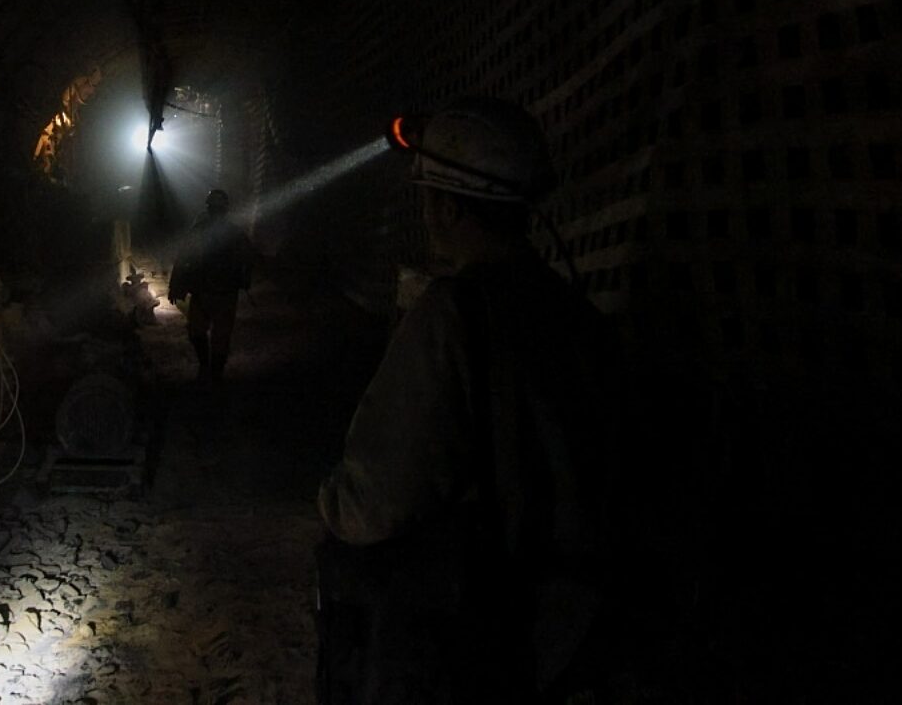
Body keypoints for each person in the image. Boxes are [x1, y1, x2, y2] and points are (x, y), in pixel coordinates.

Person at [316, 97, 622, 704]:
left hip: (481, 634)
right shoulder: (580, 317)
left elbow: (372, 504)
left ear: (448, 207)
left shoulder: (454, 314)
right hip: (577, 624)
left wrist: (329, 502)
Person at [168, 188, 255, 383]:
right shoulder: (200, 231)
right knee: (197, 332)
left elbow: (248, 258)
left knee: (218, 337)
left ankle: (214, 374)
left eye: (218, 208)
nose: (216, 212)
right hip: (204, 292)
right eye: (213, 208)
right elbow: (184, 258)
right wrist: (176, 285)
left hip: (224, 293)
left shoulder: (234, 233)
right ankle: (207, 368)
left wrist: (245, 278)